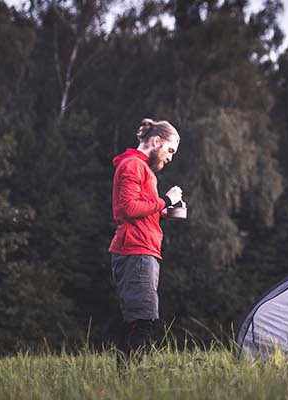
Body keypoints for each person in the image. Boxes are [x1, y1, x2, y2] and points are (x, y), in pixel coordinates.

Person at [109, 118, 182, 369]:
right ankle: (130, 377)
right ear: (156, 141)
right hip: (135, 250)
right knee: (142, 319)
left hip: (143, 250)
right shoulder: (132, 165)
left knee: (138, 318)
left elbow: (141, 208)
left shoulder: (143, 169)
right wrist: (165, 200)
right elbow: (127, 208)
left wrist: (166, 211)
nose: (170, 158)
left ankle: (126, 376)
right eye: (170, 150)